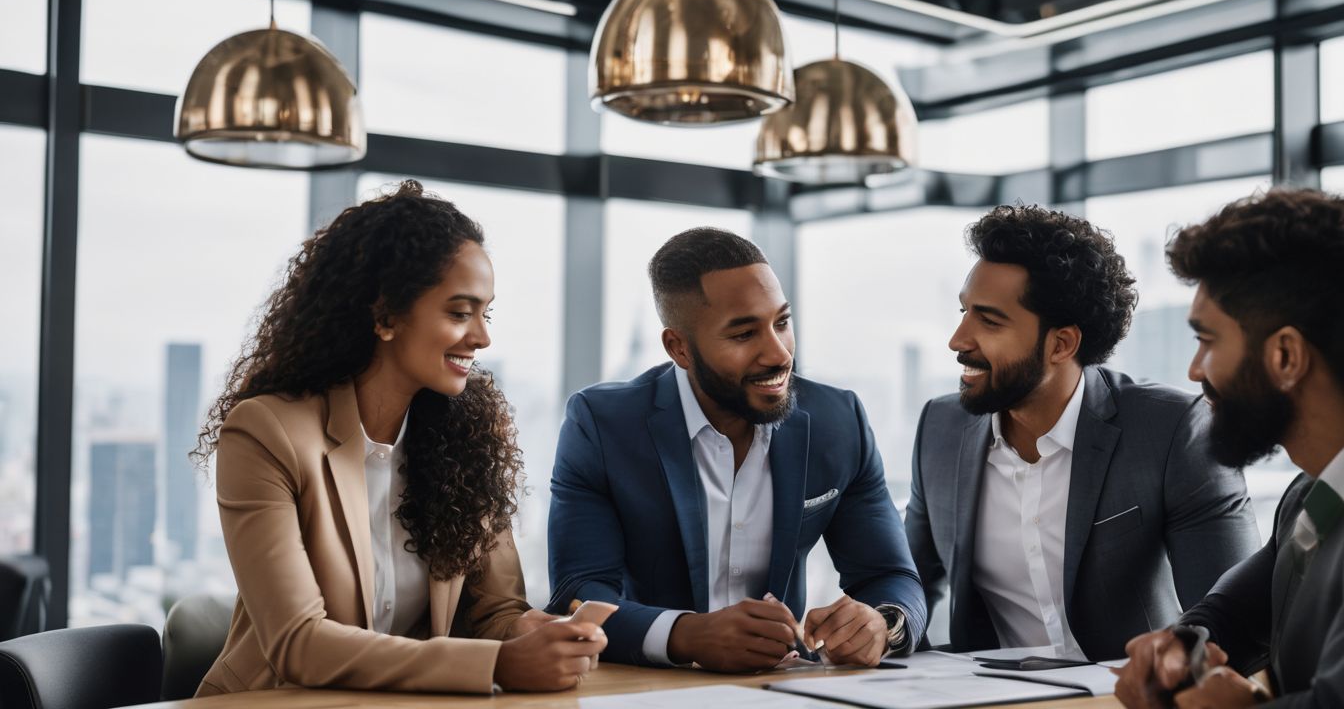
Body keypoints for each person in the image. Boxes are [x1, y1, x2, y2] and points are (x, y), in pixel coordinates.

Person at [194, 180, 605, 696]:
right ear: (385, 317)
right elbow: (299, 642)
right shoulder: (266, 432)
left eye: (485, 312)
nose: (482, 336)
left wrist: (526, 633)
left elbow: (496, 610)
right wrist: (496, 665)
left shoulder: (466, 437)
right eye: (459, 312)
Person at [547, 227, 926, 672]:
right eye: (745, 334)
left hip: (784, 688)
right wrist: (687, 634)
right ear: (679, 347)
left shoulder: (837, 421)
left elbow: (891, 575)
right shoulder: (602, 424)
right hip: (644, 687)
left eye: (781, 323)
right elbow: (579, 592)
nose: (778, 353)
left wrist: (882, 624)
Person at [905, 204, 1259, 661]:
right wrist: (885, 623)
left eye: (989, 321)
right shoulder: (940, 428)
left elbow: (1235, 622)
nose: (958, 339)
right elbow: (908, 583)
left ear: (1061, 344)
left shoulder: (1173, 430)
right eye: (963, 311)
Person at [1114, 188, 1344, 709]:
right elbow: (1238, 611)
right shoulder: (1314, 493)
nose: (1195, 371)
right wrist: (1181, 646)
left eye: (1208, 341)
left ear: (1286, 355)